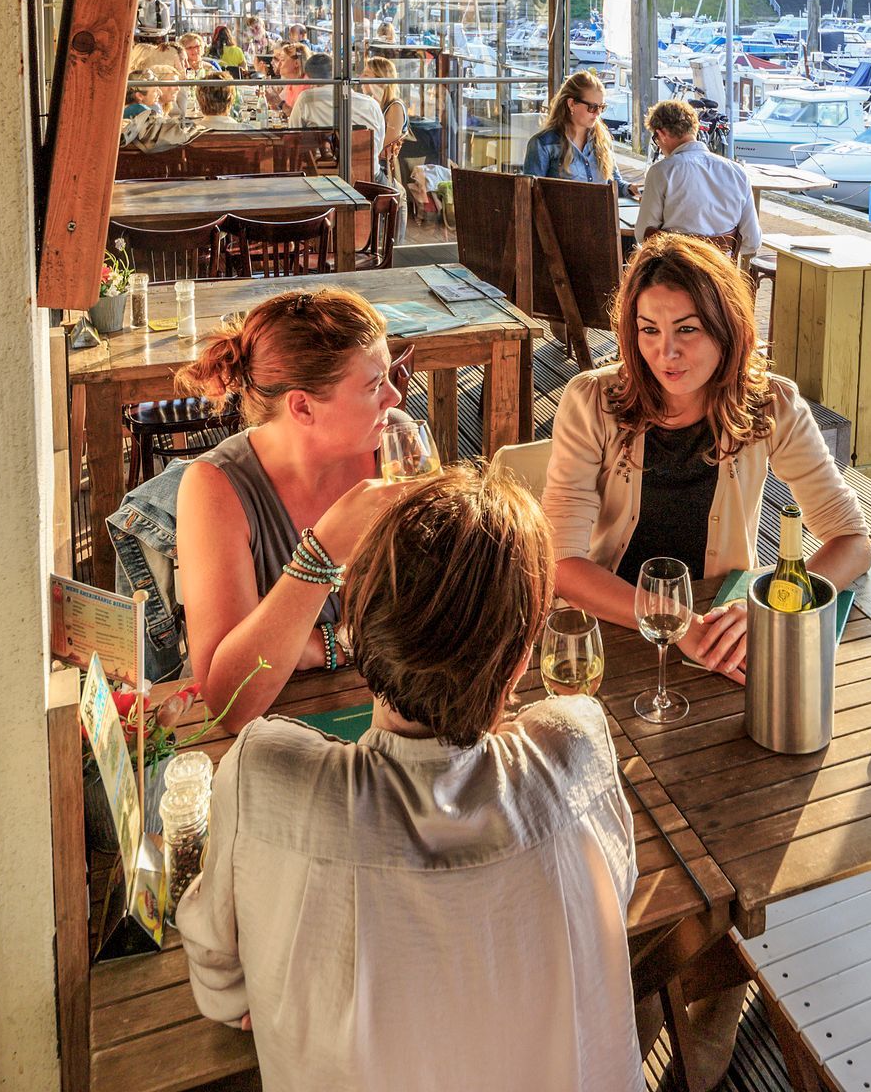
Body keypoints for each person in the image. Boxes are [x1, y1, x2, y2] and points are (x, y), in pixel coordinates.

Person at [176, 466, 645, 1091]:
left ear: (358, 623)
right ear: (520, 663)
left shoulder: (267, 774)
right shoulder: (577, 744)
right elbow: (619, 882)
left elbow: (222, 988)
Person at [544, 234, 870, 681]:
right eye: (649, 330)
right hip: (607, 625)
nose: (666, 353)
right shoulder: (591, 400)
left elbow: (852, 540)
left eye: (687, 329)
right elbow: (562, 564)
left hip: (720, 632)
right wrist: (679, 626)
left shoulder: (773, 403)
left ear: (727, 326)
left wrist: (771, 603)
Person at [175, 288, 417, 731]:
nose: (394, 399)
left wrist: (314, 646)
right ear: (302, 406)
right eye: (373, 385)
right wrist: (320, 558)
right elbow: (230, 703)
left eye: (388, 377)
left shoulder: (394, 443)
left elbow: (434, 605)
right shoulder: (216, 489)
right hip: (283, 736)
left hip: (405, 714)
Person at [635, 98, 760, 258]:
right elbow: (752, 241)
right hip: (720, 276)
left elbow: (643, 235)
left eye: (656, 140)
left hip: (674, 275)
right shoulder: (738, 173)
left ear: (662, 134)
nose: (658, 144)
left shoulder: (661, 172)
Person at [521, 71, 634, 198]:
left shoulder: (602, 140)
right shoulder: (543, 144)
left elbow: (614, 183)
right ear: (571, 104)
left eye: (602, 107)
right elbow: (529, 196)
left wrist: (630, 189)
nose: (597, 113)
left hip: (599, 216)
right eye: (592, 107)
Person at [290, 53, 386, 180]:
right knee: (398, 190)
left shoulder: (306, 99)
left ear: (309, 77)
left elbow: (293, 136)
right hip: (368, 179)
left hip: (324, 178)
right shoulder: (371, 104)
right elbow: (378, 146)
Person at [361, 56, 408, 188]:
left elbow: (385, 144)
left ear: (379, 79)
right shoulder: (372, 104)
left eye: (366, 74)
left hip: (385, 170)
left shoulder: (395, 107)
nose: (361, 77)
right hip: (371, 162)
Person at [273, 42, 309, 114]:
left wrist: (278, 103)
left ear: (296, 63)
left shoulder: (306, 85)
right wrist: (272, 101)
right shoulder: (292, 82)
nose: (279, 64)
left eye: (282, 60)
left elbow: (295, 115)